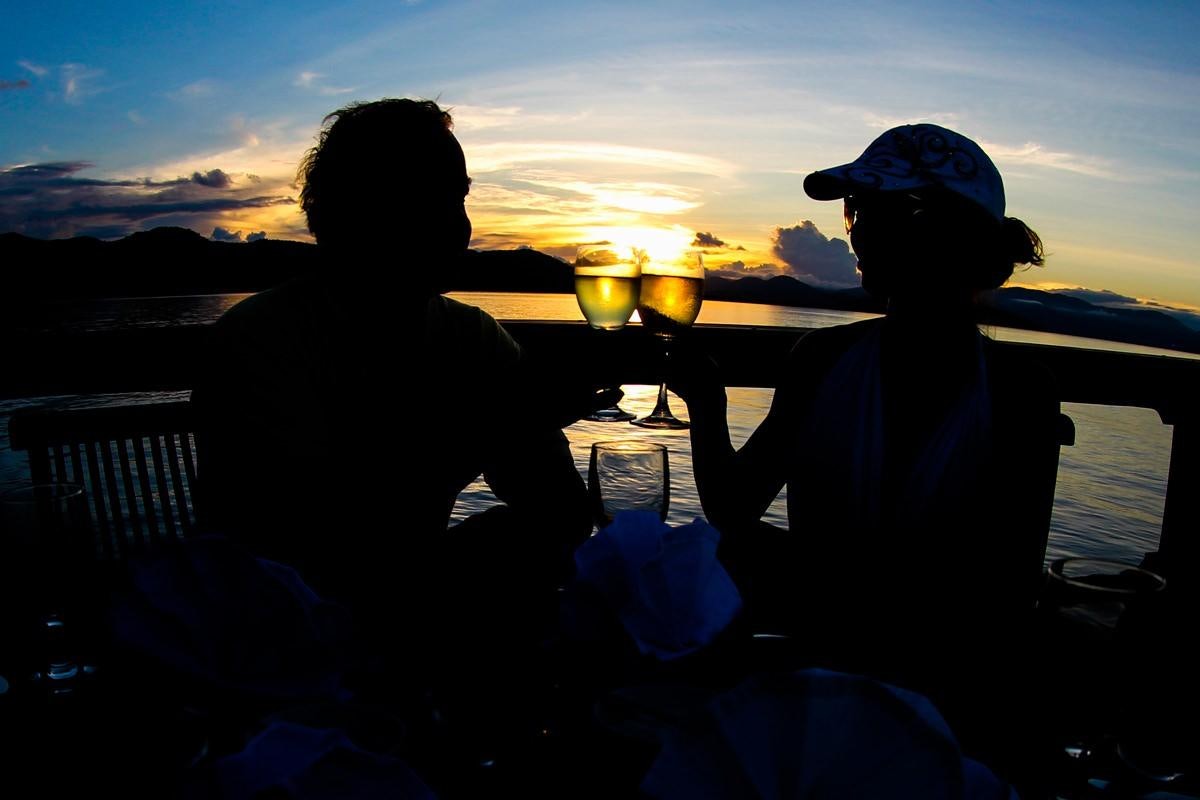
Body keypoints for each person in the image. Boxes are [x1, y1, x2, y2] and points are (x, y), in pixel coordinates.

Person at [672, 124, 1060, 738]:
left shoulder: (1019, 396)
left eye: (871, 211)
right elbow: (733, 509)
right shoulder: (820, 360)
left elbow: (1004, 600)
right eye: (856, 212)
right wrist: (707, 403)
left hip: (935, 706)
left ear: (944, 232)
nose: (854, 231)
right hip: (838, 684)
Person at [191, 99, 594, 685]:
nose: (459, 226)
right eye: (429, 199)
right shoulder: (259, 344)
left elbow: (560, 513)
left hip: (420, 641)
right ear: (357, 212)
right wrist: (486, 430)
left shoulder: (472, 338)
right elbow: (305, 560)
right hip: (275, 663)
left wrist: (530, 428)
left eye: (460, 198)